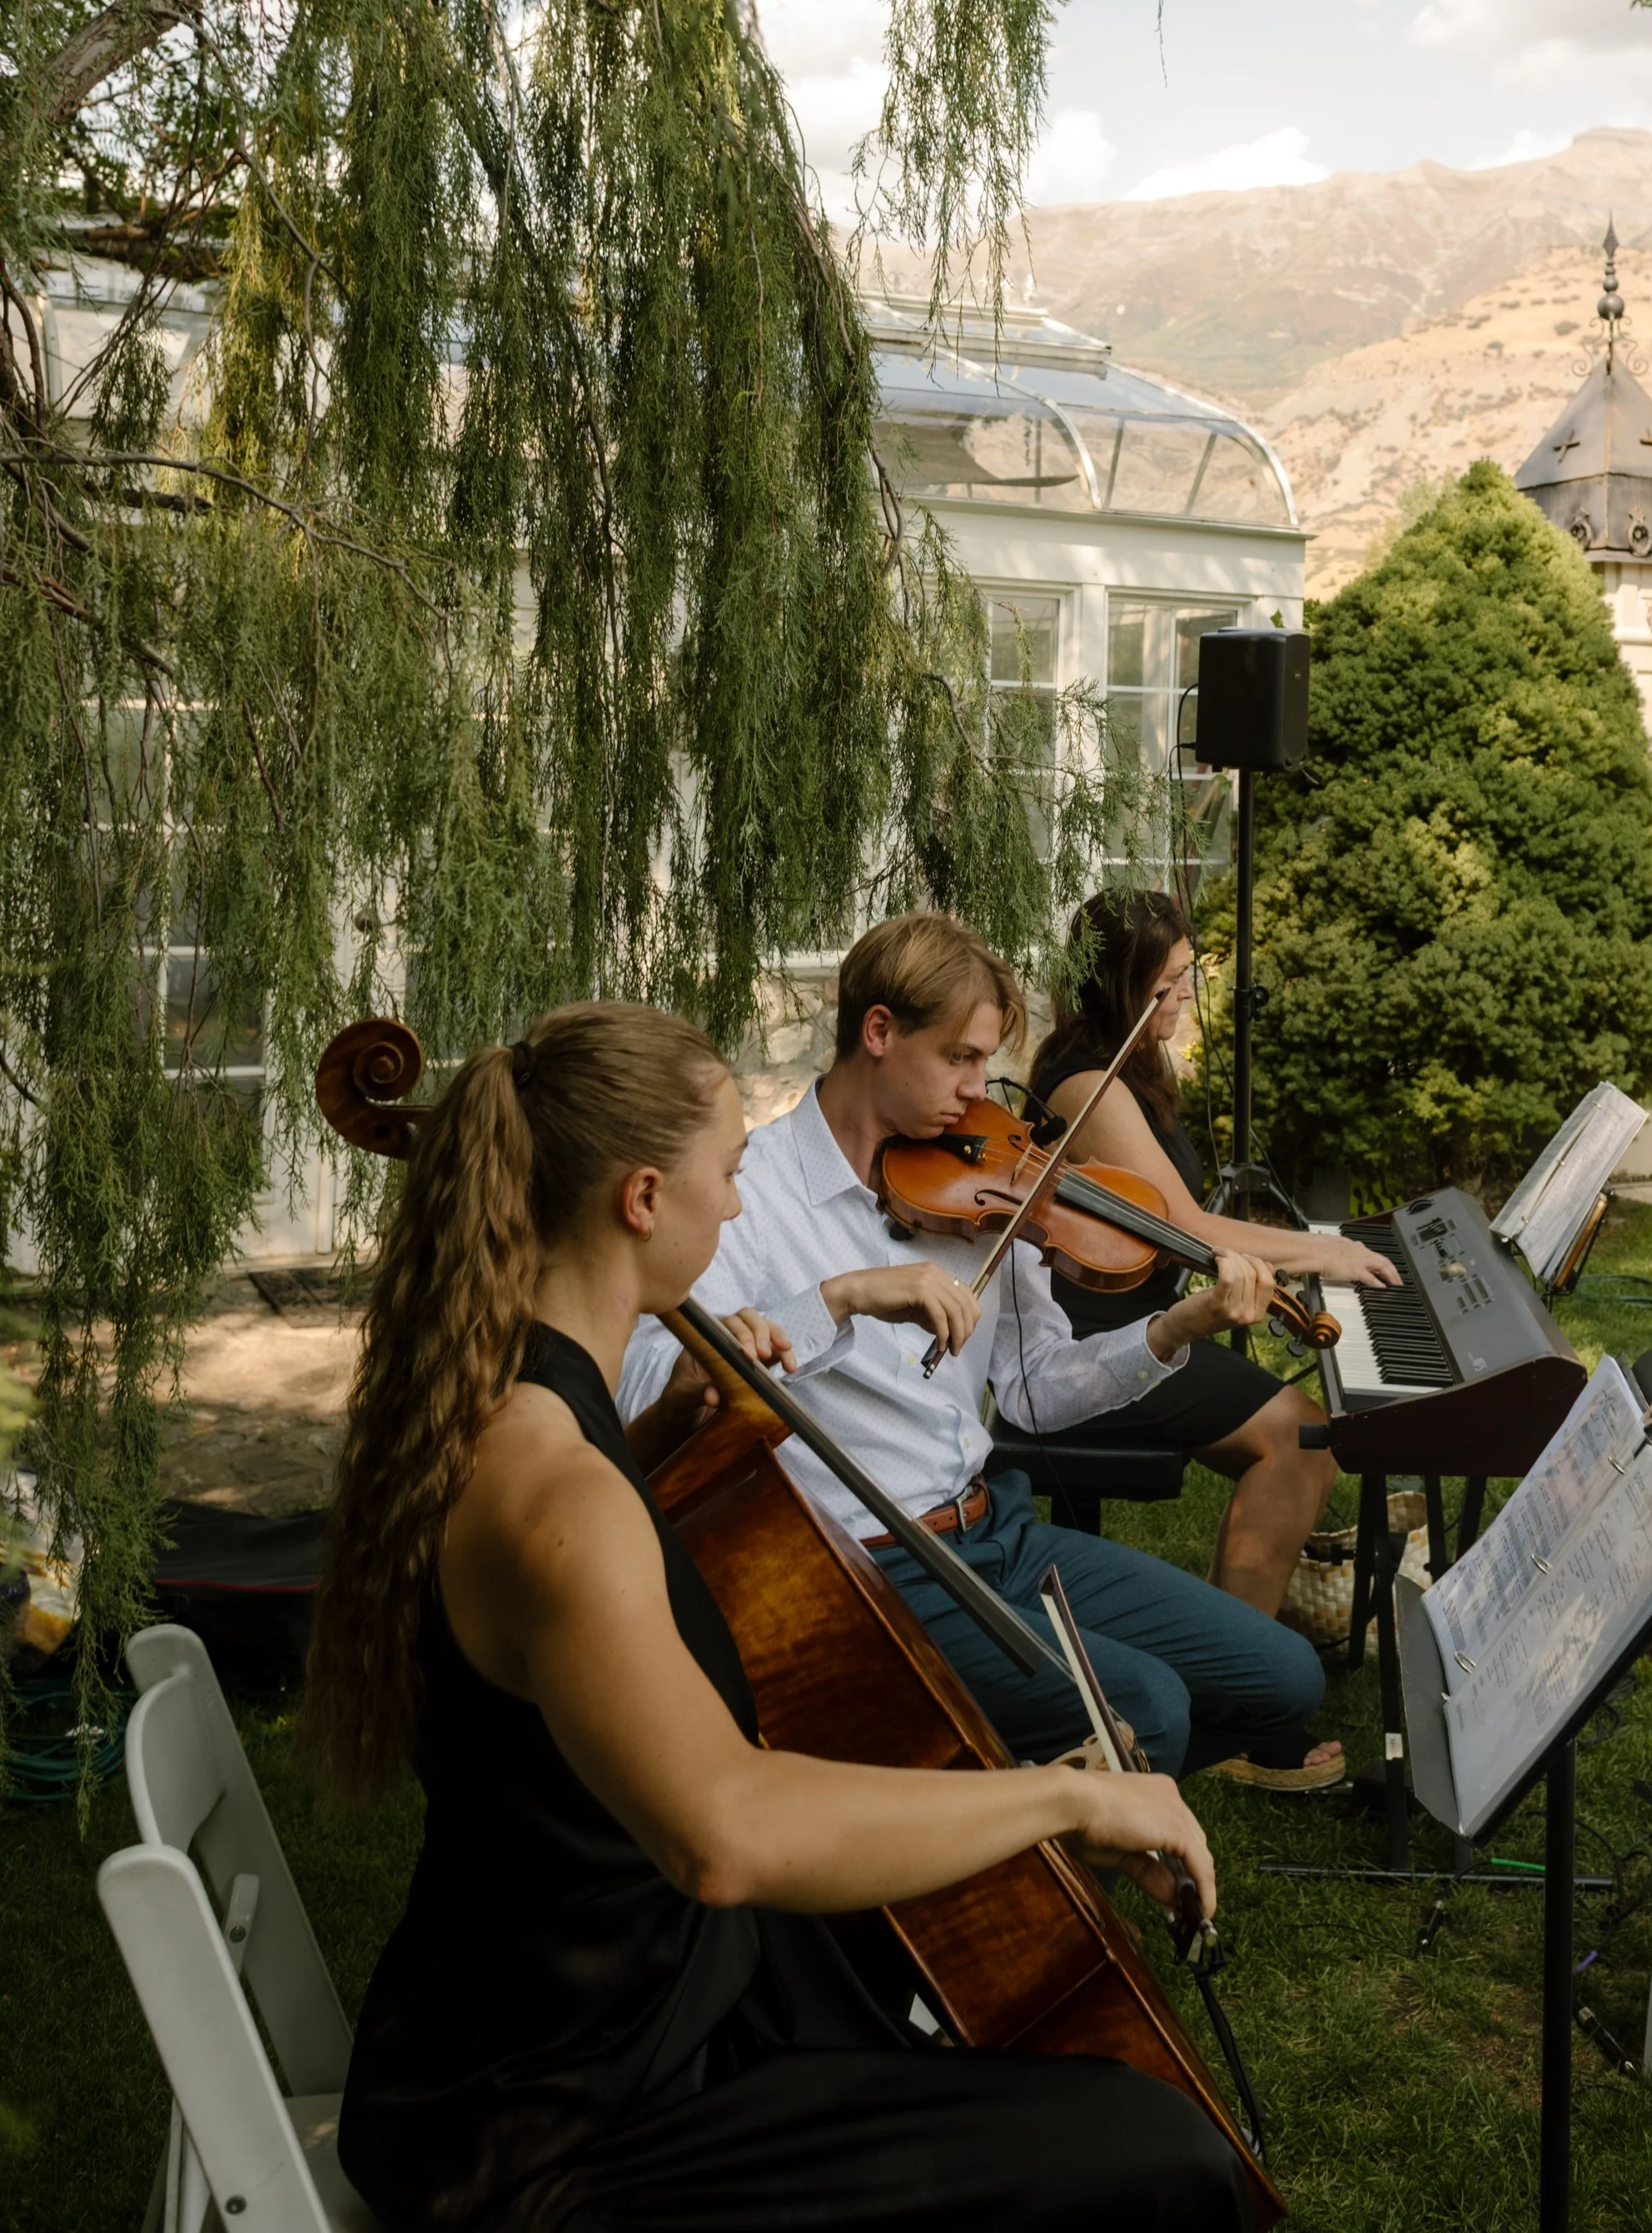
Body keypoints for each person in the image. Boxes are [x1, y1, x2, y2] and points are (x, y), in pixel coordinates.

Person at [305, 1001, 1251, 2233]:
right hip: (568, 2113)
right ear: (642, 1199)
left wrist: (657, 1441)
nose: (741, 1209)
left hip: (587, 2003)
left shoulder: (518, 1411)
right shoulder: (556, 1494)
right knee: (1158, 2152)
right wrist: (1066, 1797)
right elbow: (728, 1829)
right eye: (730, 1174)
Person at [616, 913, 1330, 1792]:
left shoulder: (981, 1185)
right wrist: (836, 1302)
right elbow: (649, 1382)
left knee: (1283, 1678)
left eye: (986, 1062)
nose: (977, 1088)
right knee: (1149, 1706)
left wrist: (1179, 1327)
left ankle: (1010, 1769)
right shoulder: (749, 1194)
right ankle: (1018, 1822)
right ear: (878, 1032)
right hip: (872, 1564)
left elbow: (1036, 1391)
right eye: (958, 1058)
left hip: (997, 1530)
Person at [1017, 891, 1402, 1762]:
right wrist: (1318, 1256)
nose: (1188, 995)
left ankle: (1240, 1644)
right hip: (1096, 1340)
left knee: (1302, 1430)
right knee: (1300, 1434)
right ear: (1124, 984)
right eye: (1173, 980)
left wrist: (1309, 1253)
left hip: (1136, 1315)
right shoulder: (1087, 1084)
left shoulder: (1130, 1065)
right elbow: (1188, 1226)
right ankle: (1240, 1707)